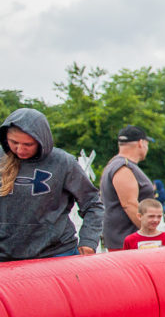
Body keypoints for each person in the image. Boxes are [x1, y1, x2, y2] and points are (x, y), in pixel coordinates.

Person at [0, 108, 104, 261]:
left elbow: (93, 203)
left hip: (56, 254)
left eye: (28, 144)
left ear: (41, 140)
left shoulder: (63, 162)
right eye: (14, 142)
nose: (20, 149)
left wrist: (89, 240)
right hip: (5, 256)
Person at [101, 125, 157, 252]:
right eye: (147, 144)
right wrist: (150, 233)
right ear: (140, 143)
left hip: (125, 240)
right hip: (128, 242)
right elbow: (130, 204)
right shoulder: (123, 167)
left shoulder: (116, 164)